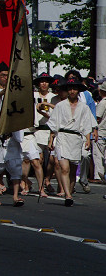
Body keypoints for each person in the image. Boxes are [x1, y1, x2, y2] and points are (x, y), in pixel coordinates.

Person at [48, 76, 96, 206]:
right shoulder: (60, 106)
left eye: (75, 88)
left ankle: (70, 190)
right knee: (64, 167)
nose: (72, 91)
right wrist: (51, 139)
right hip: (63, 137)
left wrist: (87, 139)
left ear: (78, 90)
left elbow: (87, 124)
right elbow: (54, 124)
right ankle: (67, 195)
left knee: (73, 170)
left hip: (76, 138)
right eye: (70, 88)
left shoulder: (83, 107)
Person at [0, 63, 25, 207]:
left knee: (15, 166)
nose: (5, 78)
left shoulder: (16, 92)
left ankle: (15, 196)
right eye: (3, 75)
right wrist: (6, 92)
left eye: (8, 76)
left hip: (11, 136)